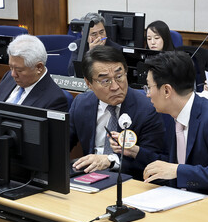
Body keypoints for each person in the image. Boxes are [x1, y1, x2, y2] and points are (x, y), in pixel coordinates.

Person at [112, 51, 208, 209]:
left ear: (166, 90)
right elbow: (174, 163)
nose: (147, 94)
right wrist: (136, 152)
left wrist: (178, 171)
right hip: (192, 201)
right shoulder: (174, 115)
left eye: (149, 87)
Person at [70, 46, 165, 180]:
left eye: (119, 76)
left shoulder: (147, 109)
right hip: (89, 177)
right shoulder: (81, 104)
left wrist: (111, 161)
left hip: (130, 181)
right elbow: (61, 145)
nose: (115, 87)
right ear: (88, 83)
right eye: (105, 81)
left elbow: (153, 160)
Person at [0, 34, 69, 112]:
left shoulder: (55, 100)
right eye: (11, 67)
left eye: (19, 70)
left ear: (39, 68)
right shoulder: (8, 77)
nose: (13, 74)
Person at [67, 12, 123, 76]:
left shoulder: (115, 49)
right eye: (94, 34)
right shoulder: (78, 45)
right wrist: (90, 53)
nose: (99, 37)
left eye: (101, 32)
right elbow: (72, 72)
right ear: (83, 34)